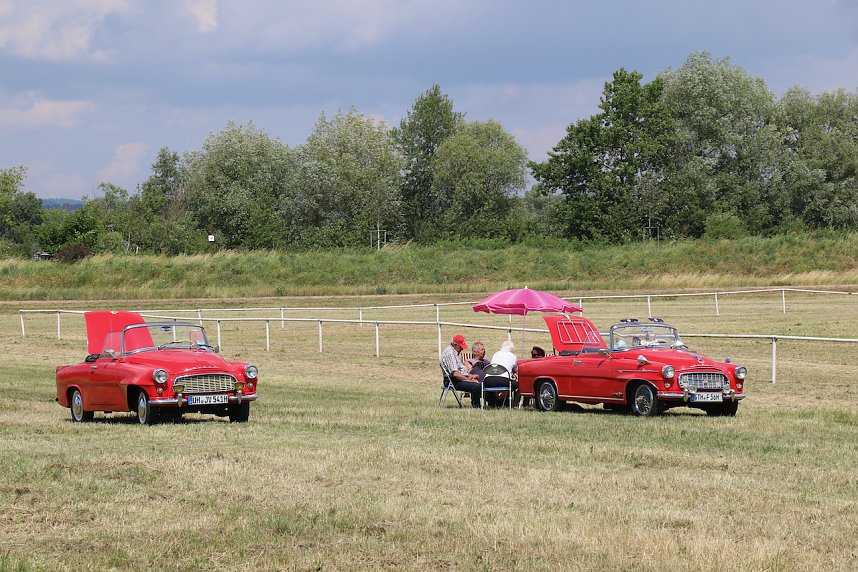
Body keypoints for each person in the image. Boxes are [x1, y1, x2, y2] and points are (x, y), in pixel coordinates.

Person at [439, 334, 482, 407]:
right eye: (461, 346)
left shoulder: (455, 352)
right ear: (455, 344)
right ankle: (476, 406)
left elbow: (459, 370)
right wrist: (470, 380)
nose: (462, 349)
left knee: (481, 383)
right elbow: (455, 374)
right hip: (452, 381)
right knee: (476, 386)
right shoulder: (450, 354)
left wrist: (470, 376)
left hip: (458, 378)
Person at [485, 340, 519, 407]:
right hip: (503, 380)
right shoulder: (513, 356)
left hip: (488, 380)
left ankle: (495, 401)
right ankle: (505, 401)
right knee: (515, 384)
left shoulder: (495, 354)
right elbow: (515, 370)